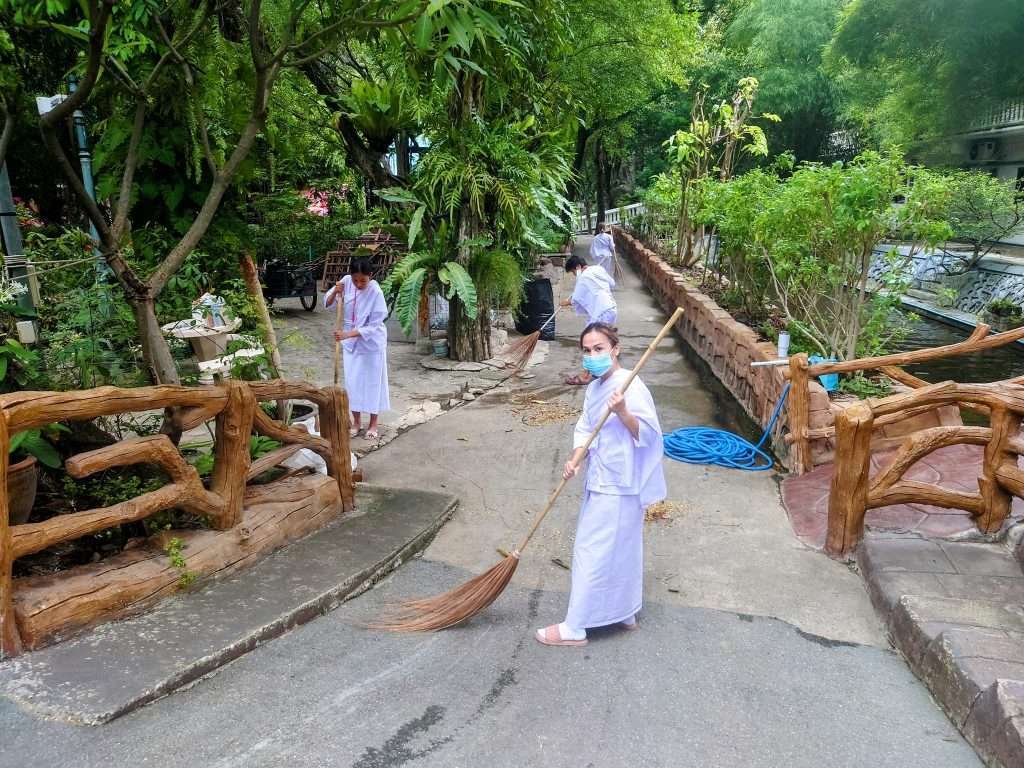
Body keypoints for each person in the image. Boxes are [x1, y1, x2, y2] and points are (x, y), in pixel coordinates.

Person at [536, 323, 666, 647]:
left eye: (598, 348)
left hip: (620, 482)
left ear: (615, 349)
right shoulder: (595, 388)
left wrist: (623, 411)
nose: (592, 355)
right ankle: (624, 612)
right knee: (621, 549)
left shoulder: (630, 386)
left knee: (590, 550)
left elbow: (648, 435)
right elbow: (585, 429)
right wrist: (575, 459)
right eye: (587, 350)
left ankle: (576, 627)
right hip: (600, 477)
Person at [325, 258, 390, 440]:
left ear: (371, 276)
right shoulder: (346, 282)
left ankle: (373, 424)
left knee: (372, 383)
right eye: (356, 280)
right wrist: (335, 292)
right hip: (350, 345)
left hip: (371, 344)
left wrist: (348, 334)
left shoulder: (375, 291)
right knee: (353, 384)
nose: (359, 284)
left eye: (363, 280)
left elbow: (375, 325)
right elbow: (328, 302)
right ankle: (356, 422)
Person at [560, 255, 617, 385]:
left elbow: (577, 298)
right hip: (611, 308)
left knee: (591, 343)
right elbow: (612, 283)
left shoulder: (584, 277)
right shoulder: (598, 269)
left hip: (600, 311)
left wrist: (566, 302)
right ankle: (602, 371)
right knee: (604, 341)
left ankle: (586, 375)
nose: (575, 275)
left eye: (574, 272)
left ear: (578, 267)